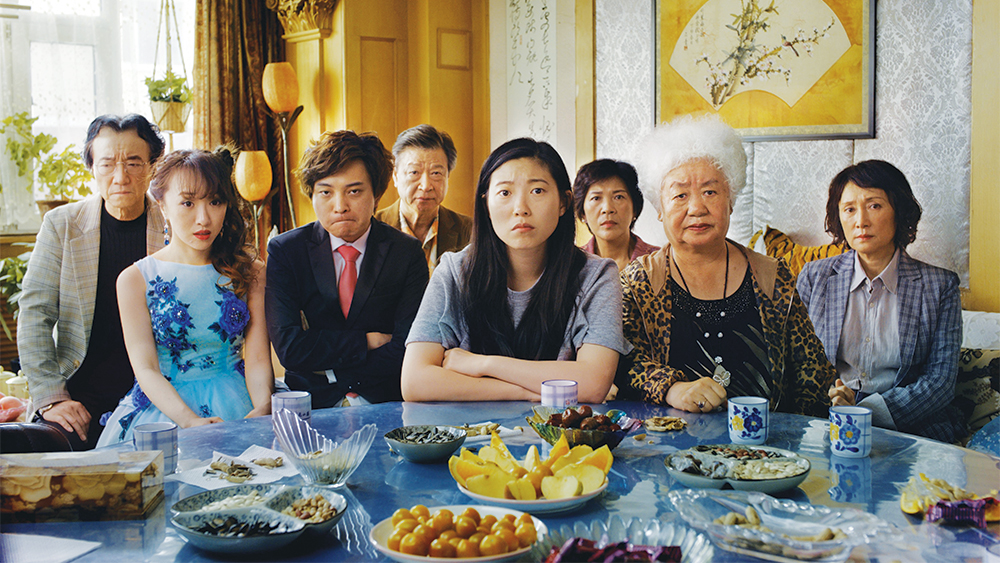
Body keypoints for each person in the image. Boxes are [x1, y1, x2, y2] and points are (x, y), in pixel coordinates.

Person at [618, 114, 835, 417]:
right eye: (680, 195)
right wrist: (671, 387)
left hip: (765, 453)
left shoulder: (773, 276)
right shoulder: (639, 281)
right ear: (659, 208)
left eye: (710, 191)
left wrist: (832, 402)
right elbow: (620, 362)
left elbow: (811, 373)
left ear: (731, 199)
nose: (696, 208)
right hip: (668, 449)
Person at [400, 138, 631, 402]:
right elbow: (415, 382)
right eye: (505, 193)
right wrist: (522, 391)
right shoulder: (454, 272)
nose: (521, 208)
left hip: (559, 440)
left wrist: (482, 365)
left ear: (563, 203)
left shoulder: (597, 276)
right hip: (472, 439)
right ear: (486, 203)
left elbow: (593, 383)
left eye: (537, 191)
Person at [96, 148, 273, 446]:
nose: (203, 218)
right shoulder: (134, 279)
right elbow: (146, 369)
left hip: (238, 401)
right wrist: (189, 421)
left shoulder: (251, 271)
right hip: (164, 410)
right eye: (188, 203)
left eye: (215, 202)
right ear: (162, 204)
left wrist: (262, 408)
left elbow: (256, 357)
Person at [19, 114, 166, 450]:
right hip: (81, 395)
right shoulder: (62, 225)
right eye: (107, 164)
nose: (120, 177)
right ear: (91, 167)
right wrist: (52, 398)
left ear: (152, 166)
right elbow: (35, 314)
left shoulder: (174, 224)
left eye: (133, 163)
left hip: (161, 391)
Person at [797, 160, 965, 442]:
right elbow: (796, 361)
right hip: (826, 421)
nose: (860, 220)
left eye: (874, 205)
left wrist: (866, 411)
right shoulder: (815, 277)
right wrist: (833, 398)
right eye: (849, 209)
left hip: (908, 427)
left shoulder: (940, 287)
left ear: (899, 211)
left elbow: (940, 382)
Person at [266, 130, 428, 408]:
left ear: (376, 193)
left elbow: (409, 347)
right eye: (326, 192)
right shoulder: (286, 251)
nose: (340, 206)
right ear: (312, 195)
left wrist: (331, 367)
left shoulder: (407, 253)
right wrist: (365, 341)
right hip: (312, 404)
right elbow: (290, 348)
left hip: (386, 402)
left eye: (354, 191)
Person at [375, 124, 473, 274]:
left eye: (436, 173)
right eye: (414, 172)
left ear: (447, 176)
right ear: (395, 176)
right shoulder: (373, 227)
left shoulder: (470, 231)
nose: (426, 186)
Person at [573, 159, 659, 271]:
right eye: (596, 198)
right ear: (583, 212)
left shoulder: (661, 262)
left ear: (634, 208)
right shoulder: (571, 266)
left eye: (618, 197)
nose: (607, 209)